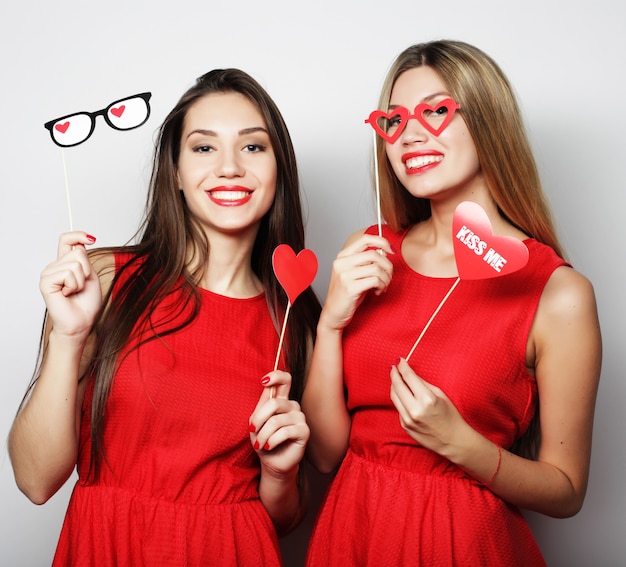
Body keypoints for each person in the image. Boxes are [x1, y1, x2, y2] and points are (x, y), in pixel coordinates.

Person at [302, 40, 601, 566]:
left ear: (487, 121)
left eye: (436, 111)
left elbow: (568, 490)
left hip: (463, 542)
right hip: (354, 532)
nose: (411, 135)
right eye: (394, 120)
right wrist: (330, 324)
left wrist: (460, 443)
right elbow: (326, 455)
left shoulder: (558, 293)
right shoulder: (368, 252)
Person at [9, 68, 321, 566]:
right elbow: (35, 480)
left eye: (253, 147)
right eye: (203, 148)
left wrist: (279, 475)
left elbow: (280, 521)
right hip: (108, 547)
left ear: (279, 166)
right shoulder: (104, 280)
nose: (229, 168)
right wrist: (69, 337)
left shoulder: (298, 322)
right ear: (174, 172)